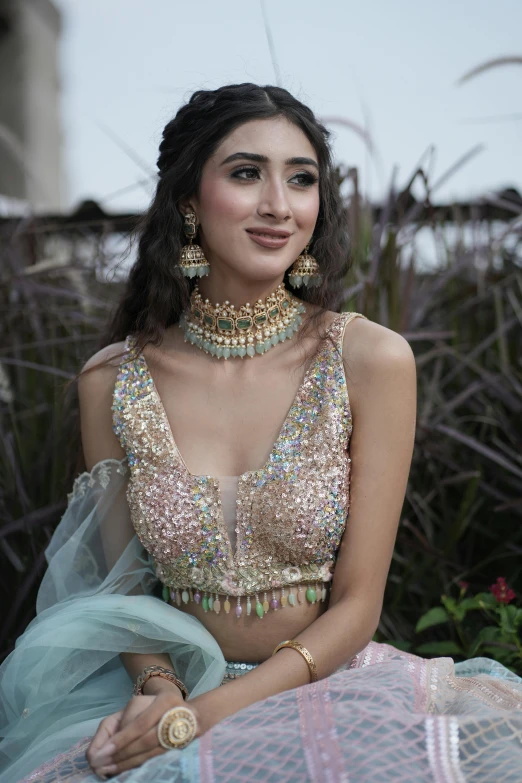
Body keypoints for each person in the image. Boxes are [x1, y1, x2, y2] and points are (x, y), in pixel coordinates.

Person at [0, 83, 521, 783]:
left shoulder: (369, 361)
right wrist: (160, 692)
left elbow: (358, 605)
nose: (279, 203)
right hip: (163, 696)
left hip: (323, 690)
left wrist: (201, 719)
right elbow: (122, 594)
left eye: (301, 179)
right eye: (247, 173)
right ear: (189, 200)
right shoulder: (112, 382)